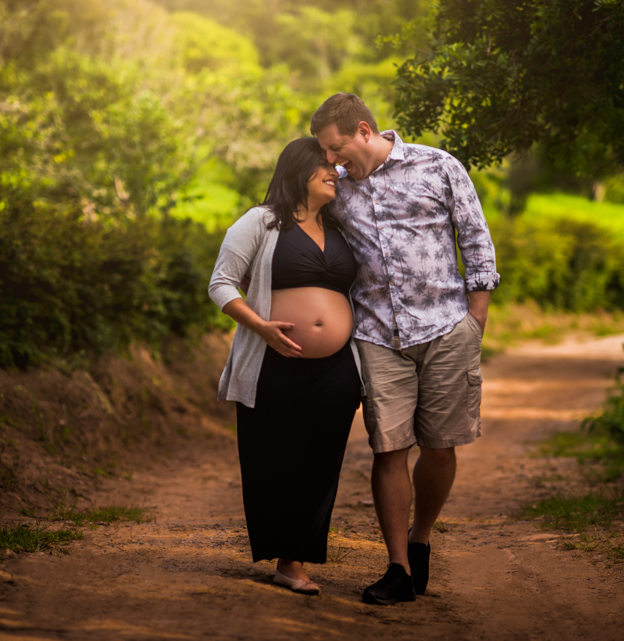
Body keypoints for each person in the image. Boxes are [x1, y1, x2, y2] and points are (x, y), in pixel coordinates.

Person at [311, 93, 500, 605]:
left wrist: (475, 320)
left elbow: (475, 238)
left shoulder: (438, 166)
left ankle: (421, 536)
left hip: (447, 328)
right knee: (388, 448)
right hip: (376, 334)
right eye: (325, 152)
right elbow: (298, 221)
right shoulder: (337, 189)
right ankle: (397, 567)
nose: (331, 159)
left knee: (439, 448)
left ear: (364, 130)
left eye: (335, 147)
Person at [208, 137, 362, 596]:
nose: (334, 172)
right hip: (272, 360)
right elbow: (221, 284)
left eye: (336, 167)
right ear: (298, 170)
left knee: (321, 461)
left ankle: (294, 559)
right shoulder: (262, 221)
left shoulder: (341, 228)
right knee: (273, 458)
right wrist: (262, 328)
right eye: (325, 165)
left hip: (337, 366)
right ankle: (282, 556)